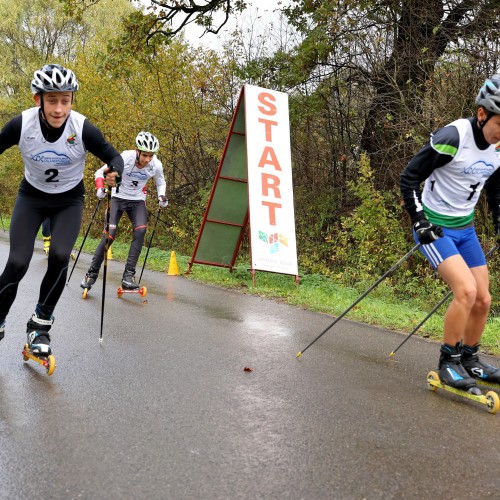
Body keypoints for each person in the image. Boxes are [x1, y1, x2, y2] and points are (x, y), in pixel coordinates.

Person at [0, 63, 123, 358]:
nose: (59, 108)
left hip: (68, 201)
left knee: (58, 255)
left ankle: (40, 325)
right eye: (52, 100)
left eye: (65, 100)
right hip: (31, 197)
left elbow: (114, 157)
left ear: (71, 100)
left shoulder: (82, 128)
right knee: (17, 261)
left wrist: (113, 172)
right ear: (37, 99)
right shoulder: (22, 124)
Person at [400, 74, 500, 394]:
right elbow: (409, 177)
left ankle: (470, 359)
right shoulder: (453, 137)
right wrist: (418, 220)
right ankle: (448, 361)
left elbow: (495, 191)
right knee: (466, 291)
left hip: (465, 229)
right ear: (482, 114)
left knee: (484, 298)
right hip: (435, 226)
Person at [81, 131, 167, 292]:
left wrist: (162, 196)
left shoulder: (156, 164)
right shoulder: (125, 158)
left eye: (151, 155)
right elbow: (100, 172)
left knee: (141, 232)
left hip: (137, 201)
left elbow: (160, 181)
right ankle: (91, 273)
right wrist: (100, 188)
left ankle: (128, 275)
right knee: (110, 235)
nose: (147, 159)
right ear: (137, 151)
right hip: (118, 198)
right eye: (145, 155)